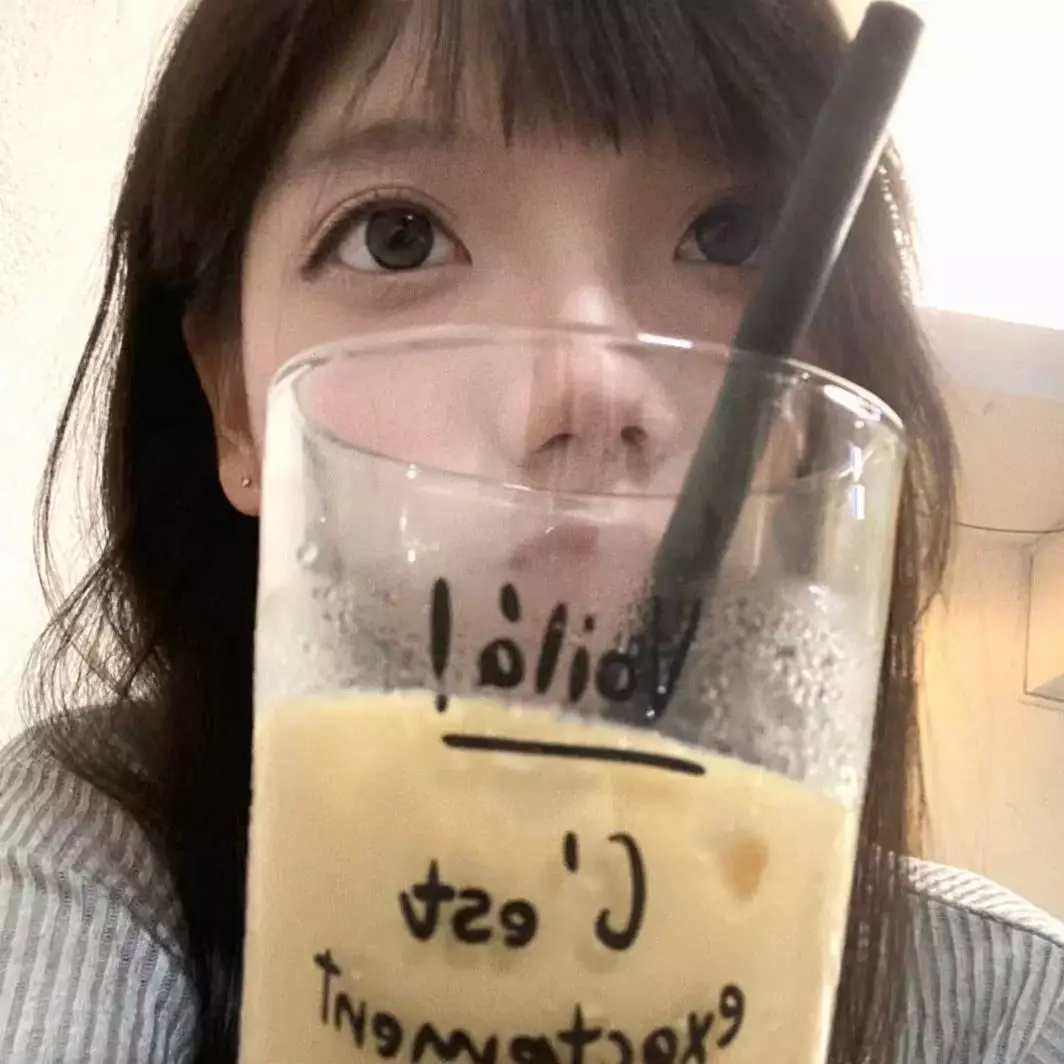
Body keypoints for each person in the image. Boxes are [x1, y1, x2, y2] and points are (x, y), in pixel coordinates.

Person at [1, 0, 1062, 1061]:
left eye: (729, 234)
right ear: (236, 403)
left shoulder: (1011, 1008)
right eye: (397, 237)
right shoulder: (82, 855)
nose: (586, 385)